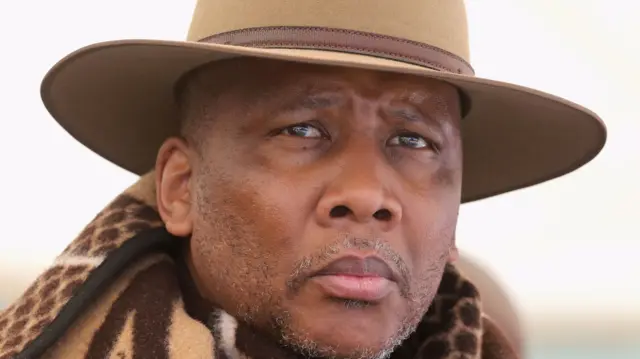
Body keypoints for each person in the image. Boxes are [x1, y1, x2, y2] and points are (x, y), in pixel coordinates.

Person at [0, 0, 606, 358]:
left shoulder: (479, 329)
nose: (369, 196)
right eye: (303, 131)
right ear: (181, 187)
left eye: (413, 140)